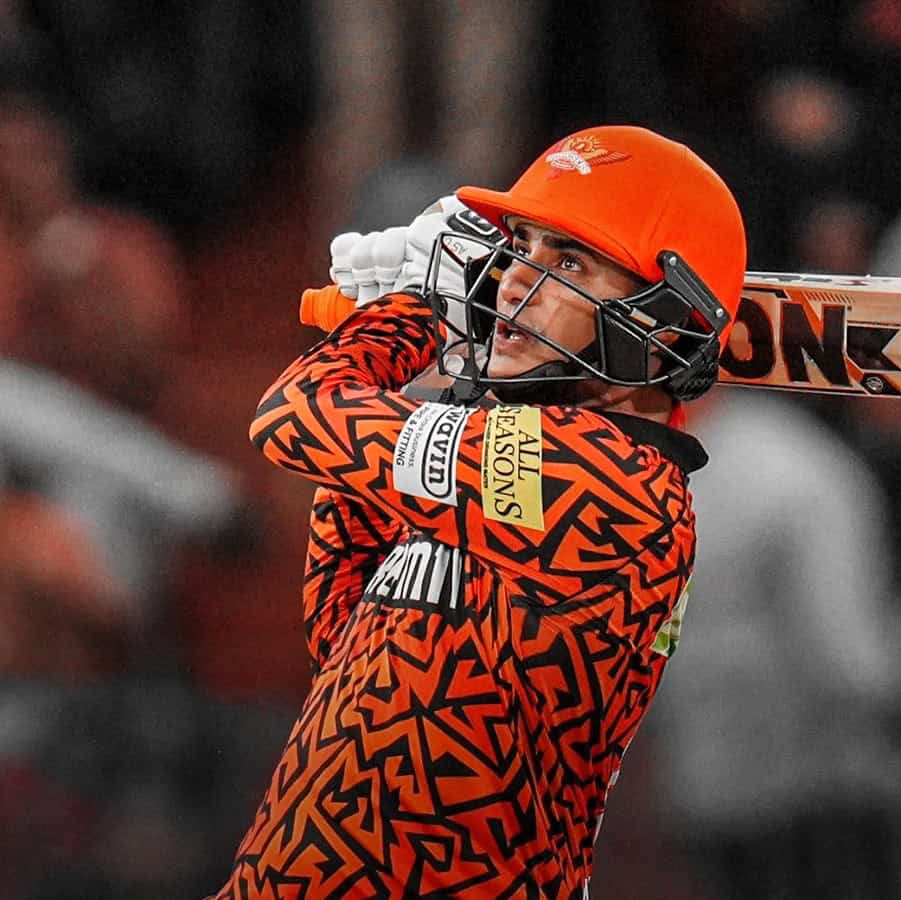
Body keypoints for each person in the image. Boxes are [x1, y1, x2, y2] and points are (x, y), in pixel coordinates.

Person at [210, 125, 746, 899]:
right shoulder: (503, 467)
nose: (514, 284)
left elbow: (293, 415)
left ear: (660, 328)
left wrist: (410, 314)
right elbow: (338, 640)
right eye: (519, 247)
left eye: (569, 263)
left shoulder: (607, 480)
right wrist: (412, 375)